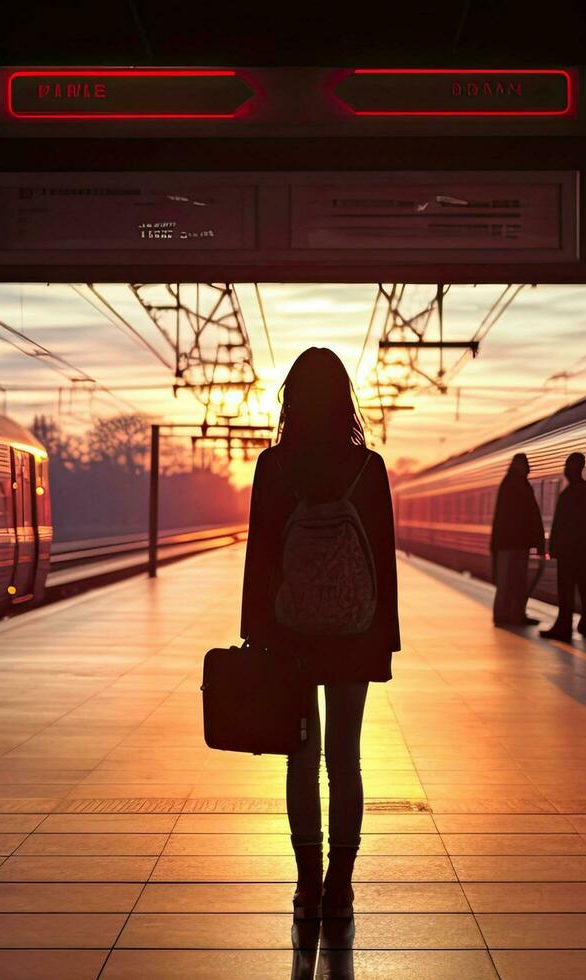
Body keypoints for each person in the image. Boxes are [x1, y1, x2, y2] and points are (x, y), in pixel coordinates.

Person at [241, 347, 400, 921]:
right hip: (355, 633)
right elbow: (382, 558)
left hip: (288, 635)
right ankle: (341, 886)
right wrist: (385, 638)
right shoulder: (369, 468)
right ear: (344, 401)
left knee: (300, 759)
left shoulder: (272, 466)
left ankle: (307, 886)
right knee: (346, 761)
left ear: (290, 401)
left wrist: (254, 633)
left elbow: (260, 559)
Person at [540, 452, 586, 641]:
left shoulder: (567, 495)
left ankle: (564, 626)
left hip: (568, 552)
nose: (565, 469)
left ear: (573, 468)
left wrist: (552, 548)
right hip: (585, 551)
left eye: (567, 465)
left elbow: (560, 525)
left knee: (566, 591)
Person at [489, 453, 545, 626]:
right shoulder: (519, 486)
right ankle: (513, 615)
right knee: (515, 582)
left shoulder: (509, 484)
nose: (527, 468)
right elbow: (531, 516)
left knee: (508, 582)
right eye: (524, 464)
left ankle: (505, 615)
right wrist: (538, 542)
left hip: (508, 543)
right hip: (516, 543)